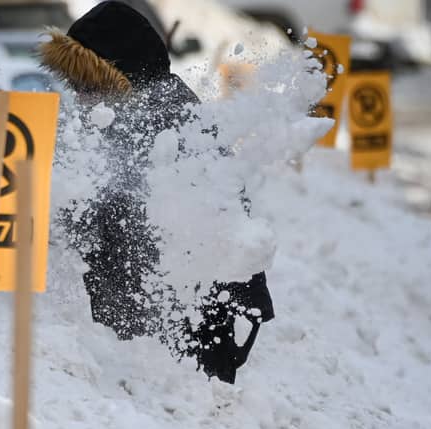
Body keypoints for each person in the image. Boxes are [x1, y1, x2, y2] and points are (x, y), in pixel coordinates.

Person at [39, 0, 274, 383]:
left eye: (87, 83)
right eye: (74, 84)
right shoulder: (148, 108)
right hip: (193, 317)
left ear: (120, 76)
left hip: (198, 330)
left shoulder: (159, 121)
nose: (79, 96)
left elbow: (113, 215)